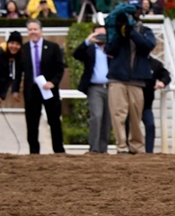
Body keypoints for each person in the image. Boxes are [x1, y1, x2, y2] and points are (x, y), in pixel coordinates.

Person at [105, 0, 156, 154]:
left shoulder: (146, 30)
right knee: (118, 114)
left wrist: (131, 32)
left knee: (135, 116)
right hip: (117, 78)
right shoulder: (116, 31)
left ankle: (136, 146)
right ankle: (121, 147)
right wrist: (121, 33)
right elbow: (110, 50)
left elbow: (148, 47)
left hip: (137, 80)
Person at [13, 19, 65, 154]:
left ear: (41, 31)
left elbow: (60, 68)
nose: (32, 32)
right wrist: (15, 90)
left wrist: (53, 82)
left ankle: (58, 151)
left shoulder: (53, 47)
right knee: (32, 123)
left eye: (35, 29)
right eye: (30, 29)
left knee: (54, 122)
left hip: (49, 90)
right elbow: (18, 72)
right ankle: (34, 153)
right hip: (32, 91)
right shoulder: (23, 49)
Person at [73, 24, 111, 154]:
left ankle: (103, 149)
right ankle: (94, 148)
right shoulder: (89, 49)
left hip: (111, 87)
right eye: (98, 34)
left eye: (103, 34)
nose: (101, 37)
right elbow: (76, 54)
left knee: (107, 119)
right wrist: (87, 41)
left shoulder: (111, 49)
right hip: (95, 87)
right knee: (97, 115)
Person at [141, 57, 170, 153]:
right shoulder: (130, 61)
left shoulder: (155, 64)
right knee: (129, 127)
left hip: (146, 105)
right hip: (131, 104)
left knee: (150, 125)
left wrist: (163, 82)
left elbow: (166, 75)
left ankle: (149, 152)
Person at [0, 30, 22, 105]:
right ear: (8, 43)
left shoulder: (16, 58)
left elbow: (8, 79)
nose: (14, 46)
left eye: (17, 44)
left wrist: (2, 96)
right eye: (12, 43)